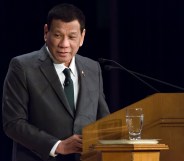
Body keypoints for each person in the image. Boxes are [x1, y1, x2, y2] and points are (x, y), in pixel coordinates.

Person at [2, 3, 110, 161]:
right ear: (46, 32)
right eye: (58, 35)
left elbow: (103, 120)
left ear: (82, 37)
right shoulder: (22, 67)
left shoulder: (92, 68)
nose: (64, 44)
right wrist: (58, 146)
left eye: (72, 37)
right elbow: (13, 123)